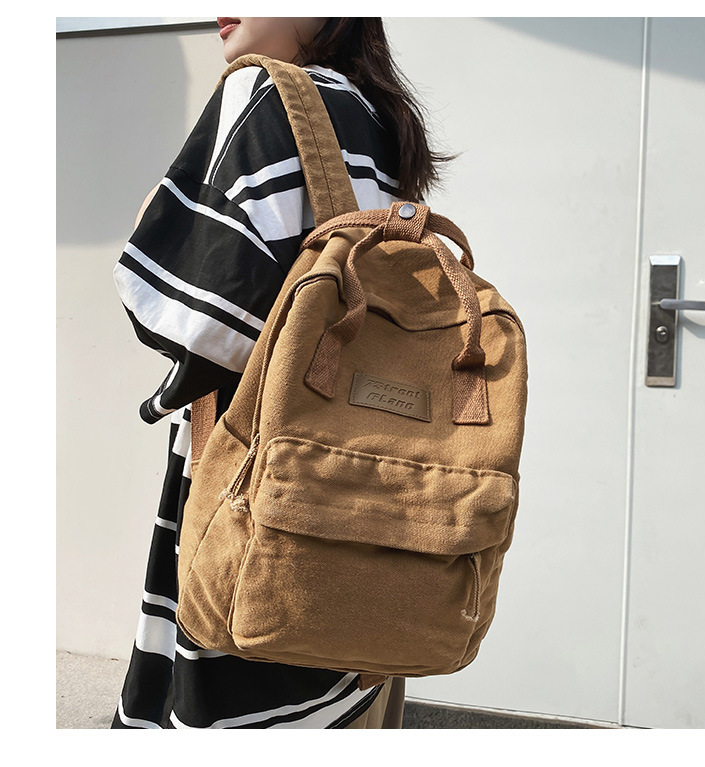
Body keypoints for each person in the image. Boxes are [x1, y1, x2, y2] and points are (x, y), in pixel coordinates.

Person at [111, 17, 453, 729]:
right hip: (367, 522)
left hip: (263, 503)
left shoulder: (265, 94)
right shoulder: (379, 117)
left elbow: (189, 320)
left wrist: (154, 213)